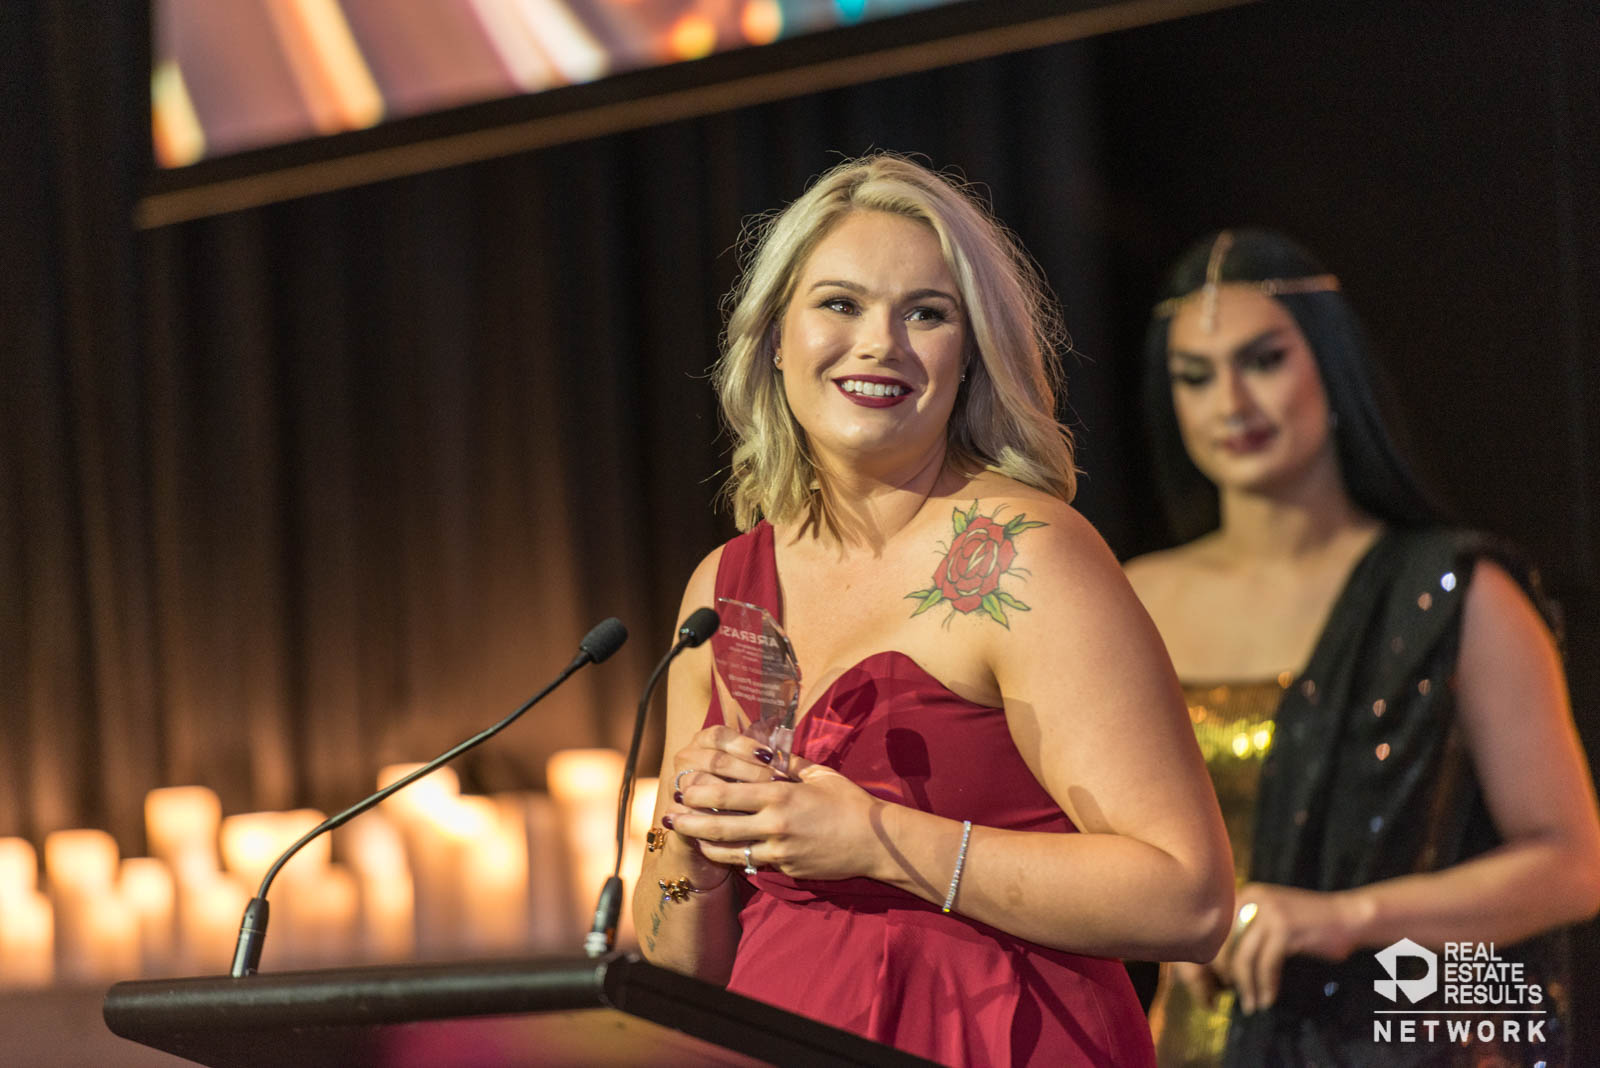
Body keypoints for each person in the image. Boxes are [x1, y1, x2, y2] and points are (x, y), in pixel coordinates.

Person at [632, 153, 1235, 1067]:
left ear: (972, 354)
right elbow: (676, 969)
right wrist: (688, 846)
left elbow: (1188, 901)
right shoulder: (723, 588)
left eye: (926, 313)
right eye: (840, 304)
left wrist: (875, 840)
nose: (880, 343)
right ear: (775, 338)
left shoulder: (1030, 555)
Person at [1124, 228, 1600, 1066]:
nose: (1230, 401)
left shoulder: (1451, 591)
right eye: (1194, 376)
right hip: (1187, 1039)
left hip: (1387, 1037)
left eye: (1263, 361)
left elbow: (1572, 865)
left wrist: (1345, 918)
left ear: (1332, 366)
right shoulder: (1132, 598)